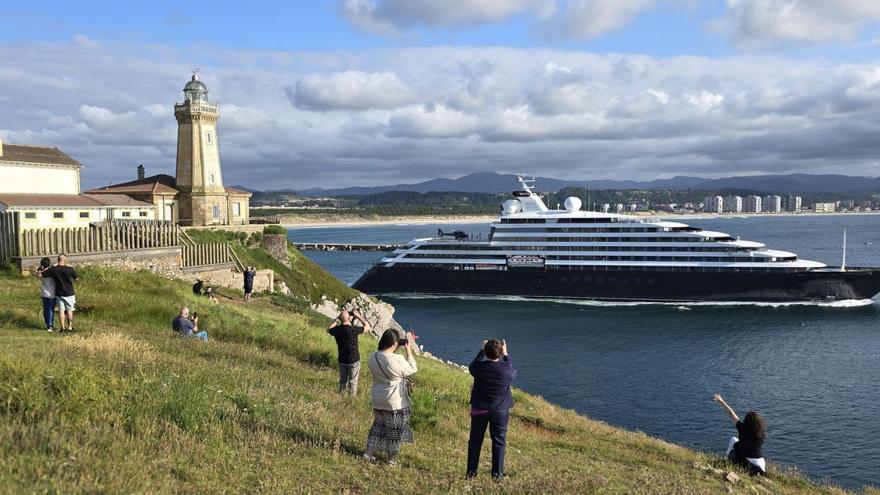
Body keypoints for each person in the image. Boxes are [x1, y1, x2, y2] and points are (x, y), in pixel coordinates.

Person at [363, 329, 417, 466]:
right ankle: (392, 460)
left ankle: (368, 453)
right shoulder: (397, 359)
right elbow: (412, 369)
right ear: (394, 343)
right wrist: (408, 351)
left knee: (377, 427)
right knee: (395, 432)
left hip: (377, 398)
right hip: (395, 401)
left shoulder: (372, 357)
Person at [467, 339, 517, 480]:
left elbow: (472, 365)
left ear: (485, 351)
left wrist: (482, 350)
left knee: (475, 441)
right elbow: (512, 372)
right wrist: (506, 354)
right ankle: (497, 475)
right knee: (499, 442)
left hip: (479, 409)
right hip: (500, 411)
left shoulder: (478, 368)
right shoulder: (505, 369)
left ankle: (471, 473)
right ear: (499, 354)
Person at [713, 393, 767, 475]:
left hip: (750, 462)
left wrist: (722, 402)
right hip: (761, 462)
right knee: (737, 442)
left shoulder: (743, 428)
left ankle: (727, 460)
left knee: (733, 439)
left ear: (746, 421)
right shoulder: (761, 433)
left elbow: (732, 414)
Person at [327, 310, 371, 395]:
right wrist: (358, 316)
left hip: (342, 360)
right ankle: (352, 400)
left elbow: (329, 329)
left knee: (343, 381)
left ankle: (341, 396)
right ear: (349, 318)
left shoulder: (337, 330)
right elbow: (367, 326)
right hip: (353, 360)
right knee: (353, 382)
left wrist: (337, 319)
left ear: (340, 318)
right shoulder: (353, 330)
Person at [42, 254, 78, 332]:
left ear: (57, 260)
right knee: (69, 310)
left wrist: (52, 266)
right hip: (69, 292)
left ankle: (62, 328)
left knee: (61, 310)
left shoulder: (54, 269)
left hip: (59, 293)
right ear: (65, 260)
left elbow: (43, 273)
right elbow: (77, 278)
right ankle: (70, 327)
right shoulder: (70, 269)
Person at [36, 257, 57, 332]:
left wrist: (40, 268)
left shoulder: (40, 272)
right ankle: (50, 326)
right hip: (51, 293)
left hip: (43, 293)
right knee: (51, 309)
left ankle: (47, 324)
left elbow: (39, 274)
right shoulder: (51, 272)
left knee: (46, 309)